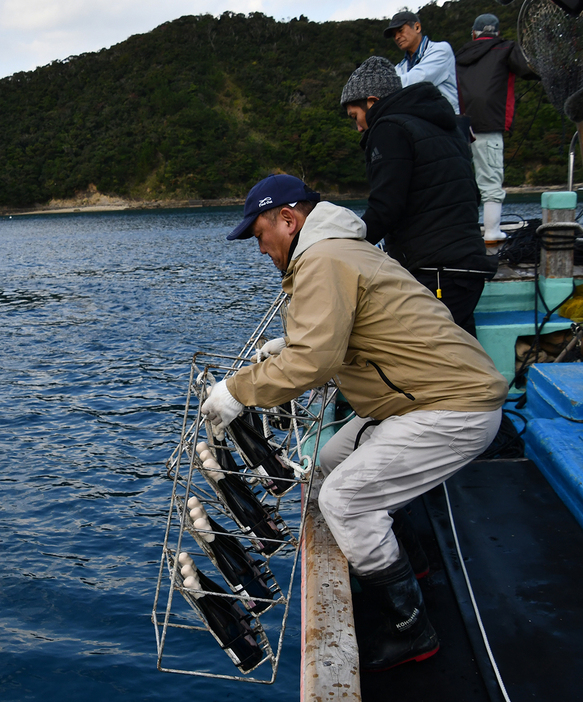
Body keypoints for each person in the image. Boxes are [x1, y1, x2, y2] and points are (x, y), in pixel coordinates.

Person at [202, 172, 508, 672]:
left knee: (343, 501)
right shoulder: (338, 248)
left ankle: (412, 629)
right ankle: (414, 563)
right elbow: (341, 333)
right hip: (418, 402)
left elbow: (315, 363)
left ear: (288, 218)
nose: (260, 249)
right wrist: (288, 347)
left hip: (454, 409)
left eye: (260, 235)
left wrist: (235, 392)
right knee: (326, 464)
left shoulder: (322, 259)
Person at [340, 55, 497, 337]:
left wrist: (345, 250)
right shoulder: (444, 126)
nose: (359, 127)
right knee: (465, 356)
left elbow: (386, 207)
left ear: (372, 102)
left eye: (356, 117)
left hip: (435, 271)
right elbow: (471, 196)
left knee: (432, 363)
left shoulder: (389, 129)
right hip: (468, 267)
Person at [456, 14, 539, 241]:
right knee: (491, 180)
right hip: (489, 125)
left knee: (464, 182)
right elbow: (530, 69)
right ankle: (492, 232)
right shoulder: (505, 48)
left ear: (474, 34)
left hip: (459, 127)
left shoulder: (459, 54)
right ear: (497, 33)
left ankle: (464, 232)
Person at [384, 10, 459, 113]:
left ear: (417, 27)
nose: (397, 37)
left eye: (400, 30)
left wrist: (380, 84)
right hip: (422, 124)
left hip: (448, 124)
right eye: (394, 35)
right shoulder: (400, 67)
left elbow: (416, 81)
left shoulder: (441, 50)